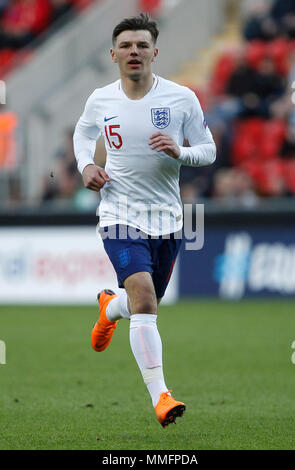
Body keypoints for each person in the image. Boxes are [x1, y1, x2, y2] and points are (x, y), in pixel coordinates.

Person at [73, 13, 216, 428]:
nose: (133, 51)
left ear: (154, 52)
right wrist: (85, 166)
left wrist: (180, 152)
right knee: (147, 302)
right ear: (113, 54)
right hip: (118, 214)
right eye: (126, 45)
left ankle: (108, 307)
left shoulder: (181, 98)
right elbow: (82, 135)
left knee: (140, 303)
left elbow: (207, 149)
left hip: (167, 220)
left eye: (141, 45)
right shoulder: (100, 100)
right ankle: (162, 397)